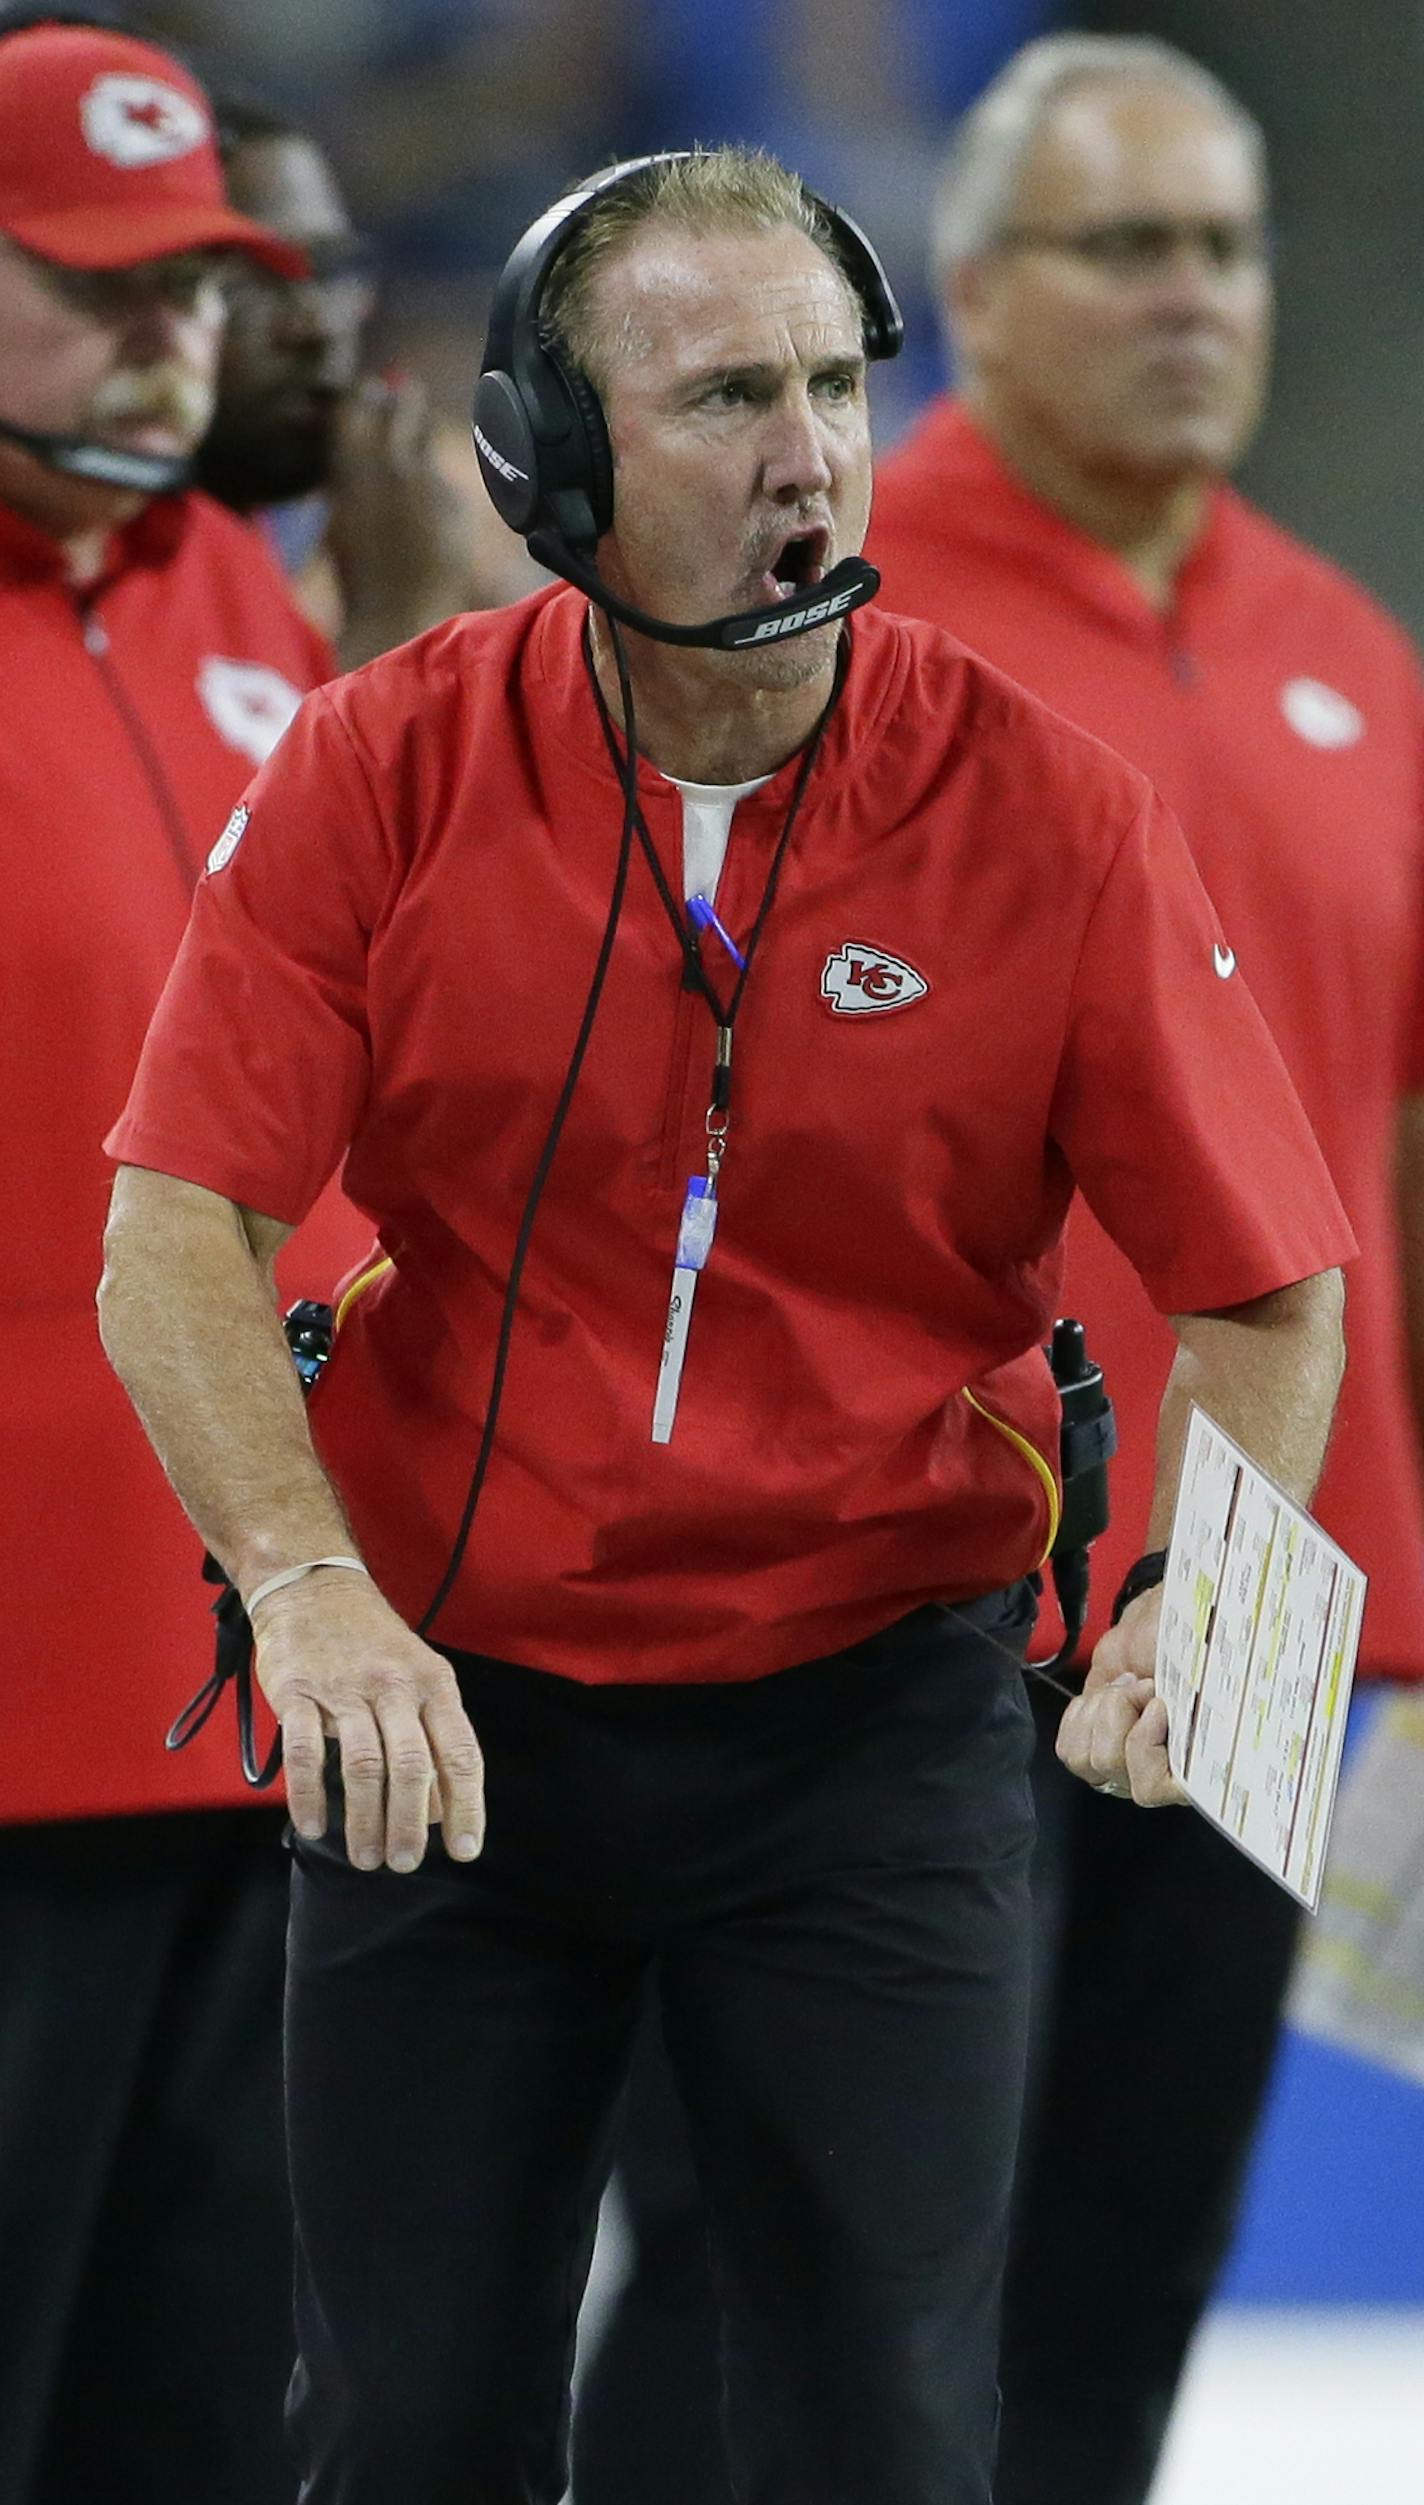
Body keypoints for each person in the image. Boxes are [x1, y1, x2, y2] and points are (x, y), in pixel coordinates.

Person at [98, 146, 1352, 2505]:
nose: (803, 448)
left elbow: (1269, 1278)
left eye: (829, 386)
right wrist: (304, 1585)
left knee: (877, 2413)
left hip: (869, 1724)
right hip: (446, 1707)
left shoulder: (1048, 809)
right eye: (720, 396)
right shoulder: (379, 763)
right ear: (549, 465)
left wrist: (1208, 1595)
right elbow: (170, 1229)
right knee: (407, 2418)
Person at [866, 35, 1424, 2505]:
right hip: (903, 1571)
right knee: (850, 2254)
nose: (1191, 297)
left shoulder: (1346, 654)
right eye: (1126, 247)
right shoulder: (836, 617)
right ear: (975, 290)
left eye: (1222, 246)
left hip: (1278, 1592)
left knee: (1123, 2264)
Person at [0, 16, 361, 2501]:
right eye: (97, 285)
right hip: (14, 1696)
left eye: (201, 290)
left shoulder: (244, 590)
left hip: (271, 1681)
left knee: (216, 2393)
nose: (174, 339)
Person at [196, 80, 543, 663]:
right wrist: (398, 613)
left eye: (332, 270)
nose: (318, 325)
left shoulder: (430, 507)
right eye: (247, 279)